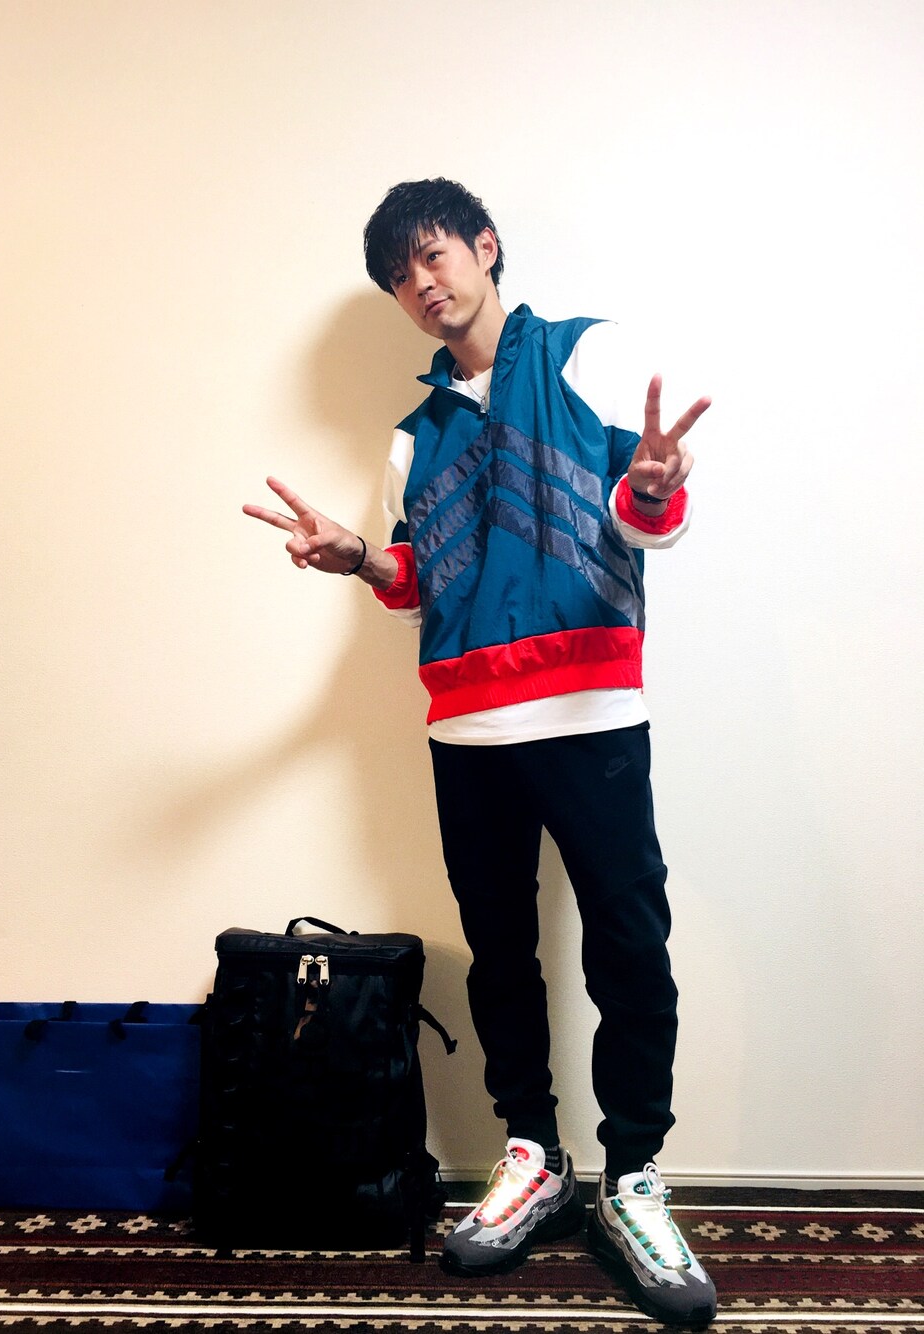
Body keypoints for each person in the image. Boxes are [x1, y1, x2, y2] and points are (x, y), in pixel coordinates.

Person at [244, 178, 717, 1327]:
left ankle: (633, 1176)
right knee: (501, 952)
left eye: (434, 254)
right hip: (465, 730)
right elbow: (420, 585)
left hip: (590, 714)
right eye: (399, 275)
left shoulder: (588, 356)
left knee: (628, 945)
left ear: (484, 246)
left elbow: (641, 516)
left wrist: (652, 489)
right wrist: (359, 556)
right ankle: (534, 1156)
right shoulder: (412, 439)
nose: (422, 283)